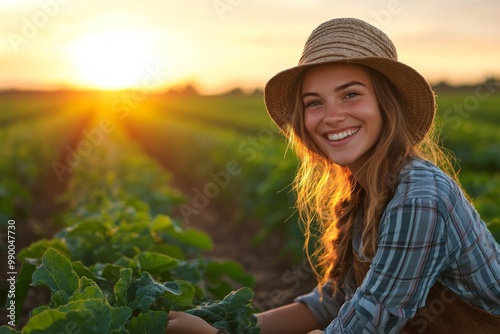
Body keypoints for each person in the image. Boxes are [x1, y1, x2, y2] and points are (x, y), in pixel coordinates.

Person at [166, 17, 500, 333]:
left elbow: (366, 323)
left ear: (387, 104)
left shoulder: (419, 198)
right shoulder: (366, 191)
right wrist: (229, 324)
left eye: (350, 94)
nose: (332, 116)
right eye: (314, 103)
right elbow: (332, 301)